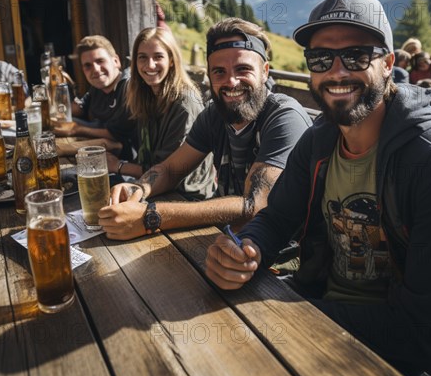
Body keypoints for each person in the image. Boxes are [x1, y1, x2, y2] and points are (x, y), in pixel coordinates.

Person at [205, 0, 431, 376]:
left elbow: (428, 335)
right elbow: (276, 218)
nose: (337, 72)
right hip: (315, 316)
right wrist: (247, 250)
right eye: (321, 59)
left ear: (389, 63)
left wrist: (295, 310)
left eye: (357, 56)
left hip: (410, 368)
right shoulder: (319, 141)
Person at [100, 18, 312, 240]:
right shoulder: (214, 115)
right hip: (228, 238)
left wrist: (150, 216)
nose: (231, 81)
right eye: (219, 72)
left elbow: (254, 206)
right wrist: (139, 189)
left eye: (243, 69)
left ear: (265, 71)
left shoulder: (283, 116)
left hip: (282, 254)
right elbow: (172, 169)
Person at [105, 27, 215, 199]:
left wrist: (118, 166)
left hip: (185, 197)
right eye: (143, 57)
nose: (150, 65)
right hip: (152, 185)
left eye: (158, 57)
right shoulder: (146, 95)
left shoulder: (184, 103)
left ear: (171, 60)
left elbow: (170, 171)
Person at [53, 35, 129, 141]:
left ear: (116, 61)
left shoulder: (128, 87)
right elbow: (79, 108)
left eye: (100, 61)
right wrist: (52, 112)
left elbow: (117, 135)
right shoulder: (97, 87)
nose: (96, 70)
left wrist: (76, 130)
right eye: (88, 66)